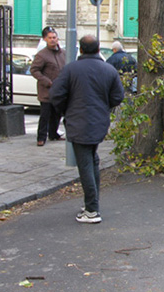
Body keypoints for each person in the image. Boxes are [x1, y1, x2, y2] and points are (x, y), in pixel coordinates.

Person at [50, 35, 125, 224]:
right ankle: (92, 203)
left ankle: (92, 210)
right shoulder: (108, 70)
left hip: (78, 121)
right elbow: (118, 96)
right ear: (99, 48)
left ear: (81, 50)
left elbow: (56, 95)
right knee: (92, 161)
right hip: (99, 121)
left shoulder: (71, 69)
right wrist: (103, 107)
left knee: (86, 164)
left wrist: (66, 109)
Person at [30, 26, 66, 146]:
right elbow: (34, 70)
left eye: (54, 37)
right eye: (50, 38)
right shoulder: (42, 55)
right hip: (47, 91)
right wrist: (46, 81)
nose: (52, 40)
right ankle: (41, 137)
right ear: (45, 39)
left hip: (60, 90)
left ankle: (53, 134)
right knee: (45, 115)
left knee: (57, 114)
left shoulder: (63, 53)